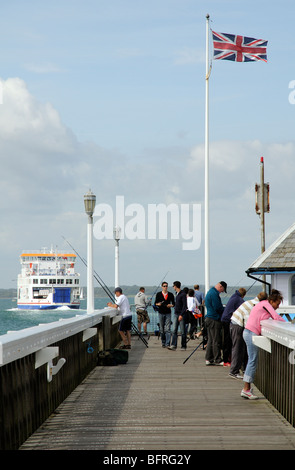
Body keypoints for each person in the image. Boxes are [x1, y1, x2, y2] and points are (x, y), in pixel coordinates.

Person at [241, 289, 285, 399]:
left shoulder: (262, 304)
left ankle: (247, 388)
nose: (278, 306)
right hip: (251, 333)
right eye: (277, 304)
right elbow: (276, 317)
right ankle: (246, 389)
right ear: (272, 301)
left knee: (252, 359)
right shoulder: (266, 304)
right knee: (252, 360)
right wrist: (287, 324)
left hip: (248, 332)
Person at [229, 291, 267, 379]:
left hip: (234, 324)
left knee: (239, 348)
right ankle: (234, 371)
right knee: (237, 348)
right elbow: (248, 320)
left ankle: (238, 369)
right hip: (237, 325)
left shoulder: (250, 302)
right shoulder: (255, 306)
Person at [221, 288, 247, 366]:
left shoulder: (234, 296)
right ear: (244, 295)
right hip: (228, 320)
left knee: (227, 340)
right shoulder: (239, 299)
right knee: (228, 341)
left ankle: (227, 359)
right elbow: (244, 309)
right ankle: (226, 360)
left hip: (224, 319)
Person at [204, 281, 227, 365]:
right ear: (220, 286)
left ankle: (209, 358)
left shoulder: (210, 292)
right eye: (222, 290)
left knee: (210, 339)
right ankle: (217, 359)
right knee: (216, 340)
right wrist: (225, 310)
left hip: (209, 318)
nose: (221, 292)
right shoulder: (214, 294)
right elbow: (217, 307)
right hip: (214, 319)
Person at [155, 281, 175, 348]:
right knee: (162, 329)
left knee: (168, 328)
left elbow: (174, 303)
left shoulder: (170, 294)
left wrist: (171, 305)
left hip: (168, 313)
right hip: (161, 312)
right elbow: (155, 303)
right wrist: (158, 304)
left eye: (166, 286)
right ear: (162, 287)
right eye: (164, 286)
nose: (165, 287)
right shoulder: (158, 294)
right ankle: (163, 342)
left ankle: (167, 343)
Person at [169, 281, 188, 350]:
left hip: (181, 315)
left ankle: (183, 345)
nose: (173, 287)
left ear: (176, 286)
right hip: (175, 314)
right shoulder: (177, 294)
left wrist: (181, 315)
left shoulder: (182, 294)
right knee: (174, 330)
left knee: (183, 331)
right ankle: (173, 345)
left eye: (173, 286)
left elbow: (185, 306)